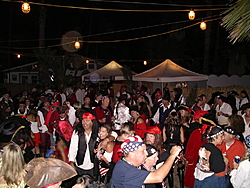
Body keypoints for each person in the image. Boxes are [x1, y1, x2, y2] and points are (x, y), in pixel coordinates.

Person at [110, 136, 182, 188]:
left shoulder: (126, 164)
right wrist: (173, 155)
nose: (146, 154)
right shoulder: (125, 170)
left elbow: (159, 158)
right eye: (142, 151)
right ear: (131, 153)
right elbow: (158, 177)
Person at [68, 112, 99, 177]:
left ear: (92, 122)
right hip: (79, 165)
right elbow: (73, 147)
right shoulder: (77, 132)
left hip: (93, 165)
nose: (84, 123)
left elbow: (112, 134)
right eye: (83, 120)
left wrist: (107, 139)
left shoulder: (97, 133)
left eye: (87, 121)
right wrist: (71, 161)